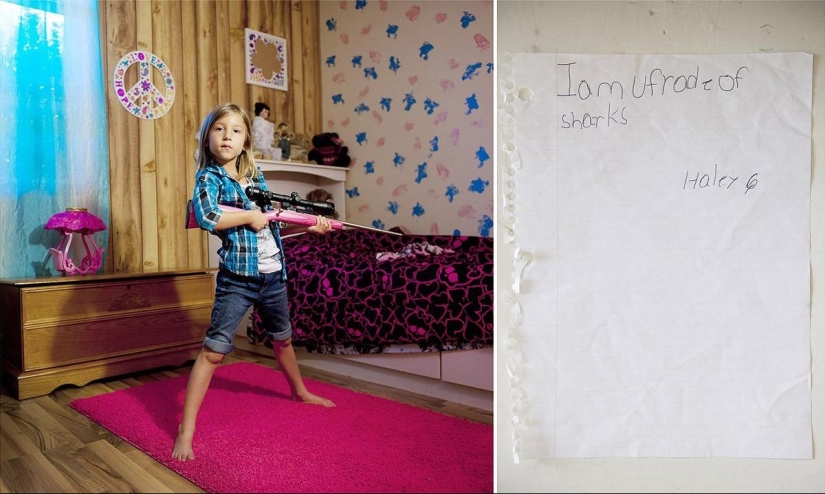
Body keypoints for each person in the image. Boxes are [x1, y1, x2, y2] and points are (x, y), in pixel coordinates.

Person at [172, 102, 334, 462]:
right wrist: (250, 215)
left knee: (284, 339)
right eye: (219, 129)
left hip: (273, 273)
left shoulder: (256, 178)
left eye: (235, 130)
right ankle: (187, 429)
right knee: (214, 351)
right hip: (238, 279)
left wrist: (310, 226)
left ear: (246, 142)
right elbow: (207, 215)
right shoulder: (209, 178)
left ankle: (299, 392)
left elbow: (273, 223)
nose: (227, 136)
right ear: (207, 137)